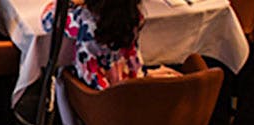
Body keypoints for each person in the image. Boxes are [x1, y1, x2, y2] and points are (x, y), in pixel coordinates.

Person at [43, 0, 178, 90]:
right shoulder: (136, 17)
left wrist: (71, 2)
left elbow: (48, 18)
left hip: (96, 93)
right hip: (131, 87)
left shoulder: (82, 20)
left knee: (61, 73)